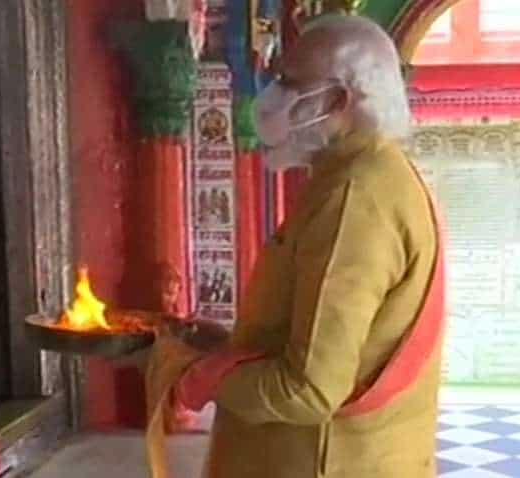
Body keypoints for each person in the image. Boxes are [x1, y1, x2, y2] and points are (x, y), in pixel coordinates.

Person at [172, 14, 445, 478]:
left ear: (339, 99)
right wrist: (229, 347)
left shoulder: (355, 199)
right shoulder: (370, 173)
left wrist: (193, 370)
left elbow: (306, 391)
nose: (272, 99)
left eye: (288, 83)